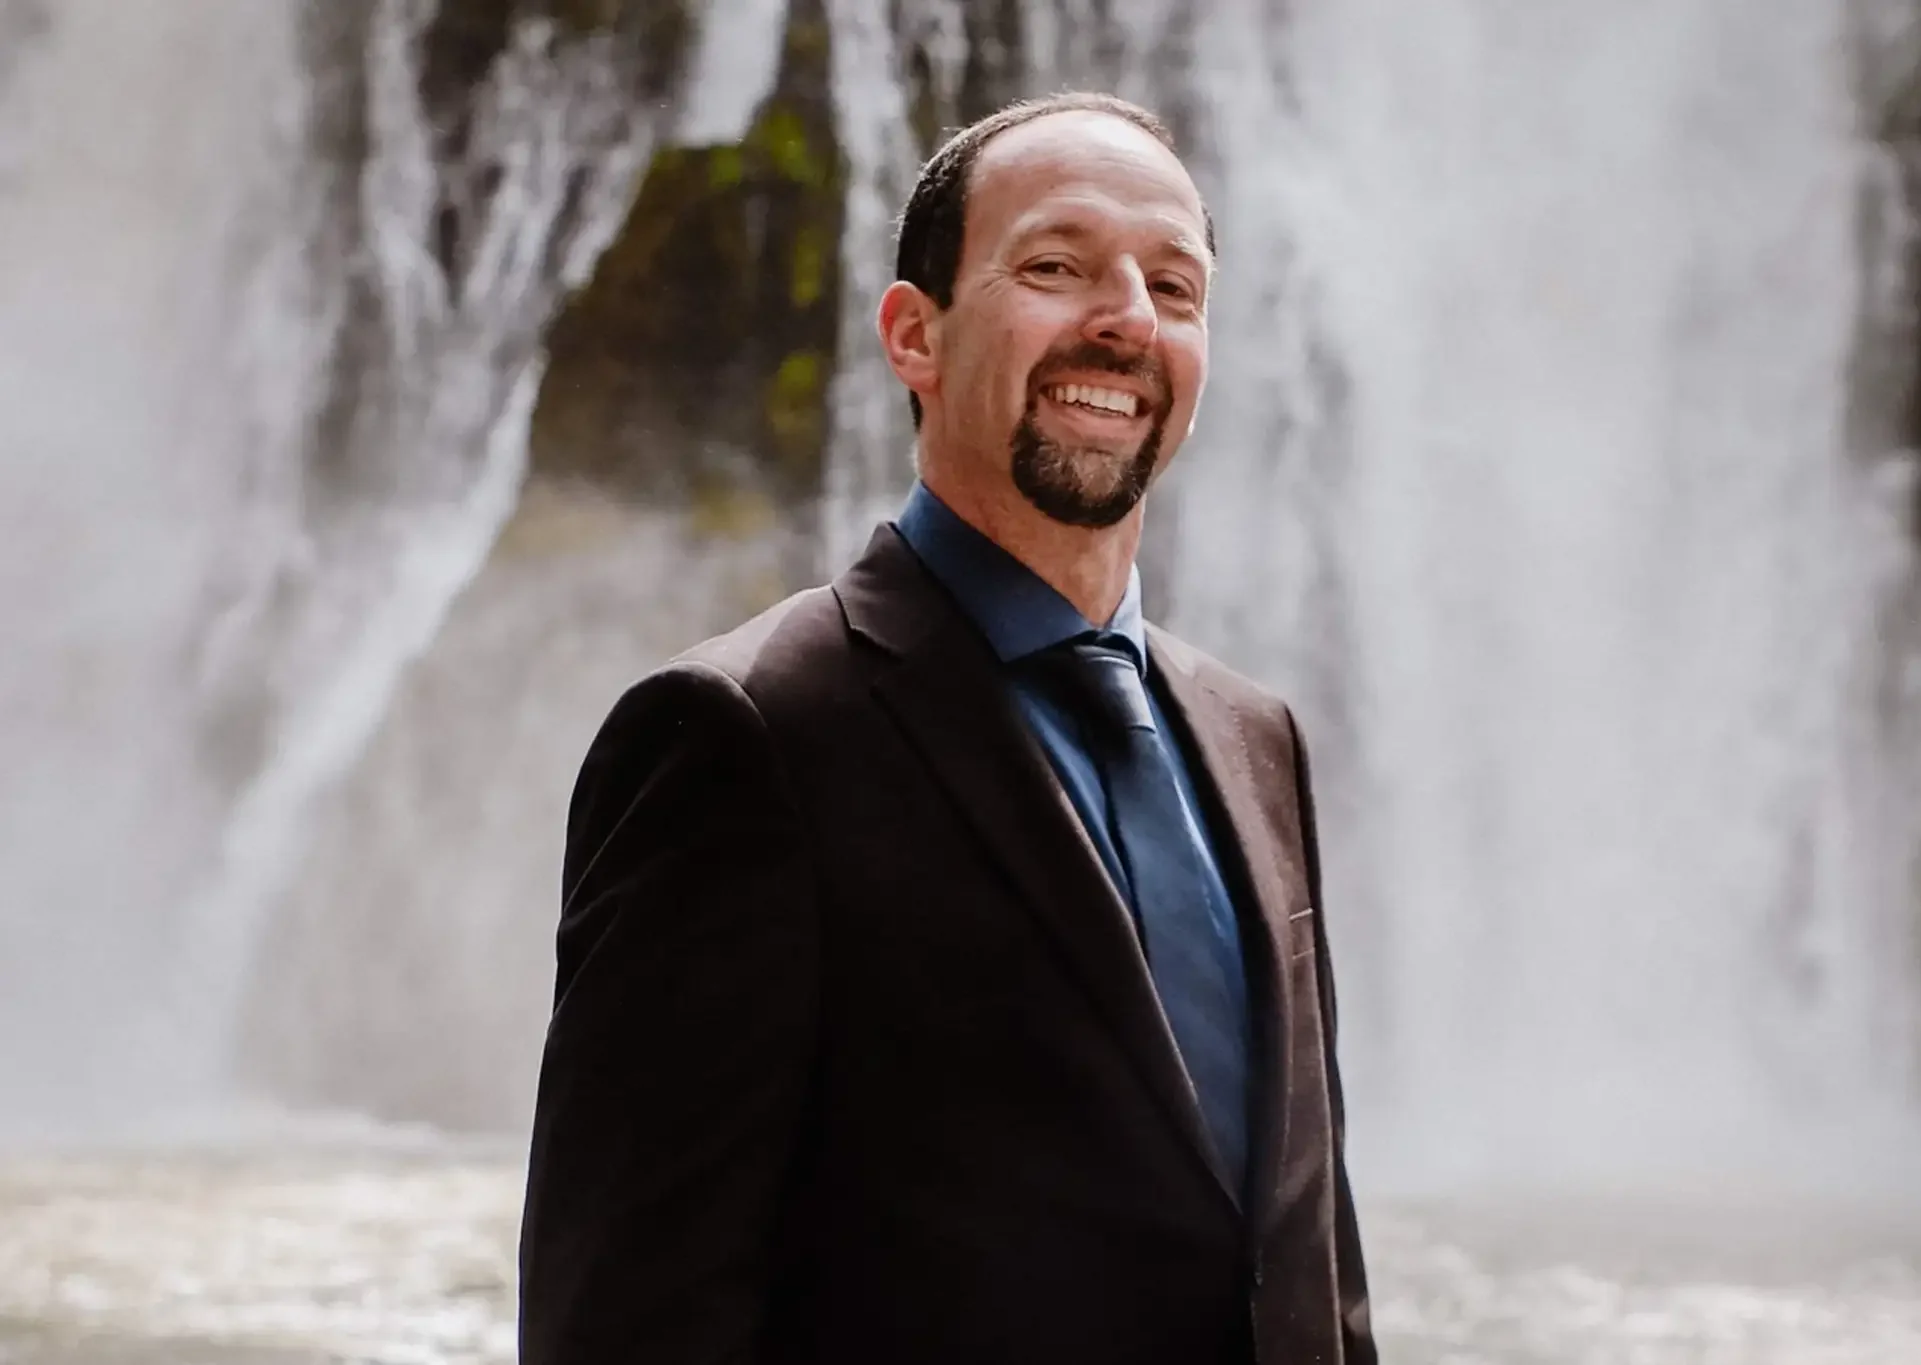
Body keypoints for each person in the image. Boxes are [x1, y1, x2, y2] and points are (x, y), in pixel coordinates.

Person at [518, 91, 1377, 1365]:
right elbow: (626, 1316)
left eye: (1172, 287)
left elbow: (1305, 1263)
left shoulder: (1257, 741)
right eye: (1055, 266)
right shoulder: (737, 734)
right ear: (913, 334)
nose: (1126, 320)